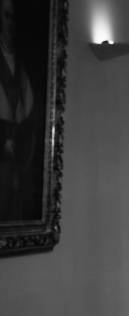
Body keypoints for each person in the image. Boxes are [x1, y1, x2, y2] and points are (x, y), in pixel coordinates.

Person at [0, 0, 35, 221]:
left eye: (14, 17)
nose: (11, 23)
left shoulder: (22, 63)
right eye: (6, 15)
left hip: (18, 161)